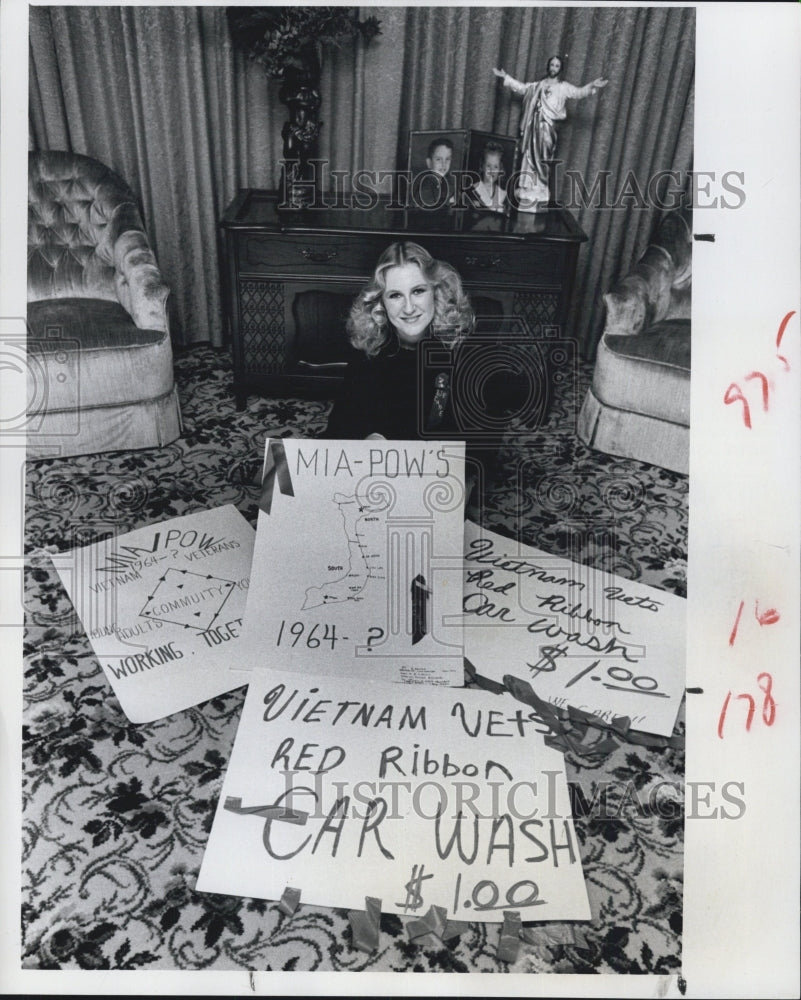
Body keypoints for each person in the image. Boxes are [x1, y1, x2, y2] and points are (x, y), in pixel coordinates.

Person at [323, 241, 473, 441]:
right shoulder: (369, 349)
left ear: (436, 292)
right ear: (381, 301)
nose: (409, 308)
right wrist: (370, 436)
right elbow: (340, 428)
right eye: (395, 295)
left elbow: (477, 449)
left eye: (418, 291)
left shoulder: (463, 353)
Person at [493, 57, 608, 210]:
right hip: (533, 126)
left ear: (560, 69)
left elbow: (579, 92)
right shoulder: (538, 85)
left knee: (543, 158)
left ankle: (540, 187)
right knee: (529, 156)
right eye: (552, 65)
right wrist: (506, 77)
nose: (554, 67)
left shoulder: (563, 87)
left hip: (548, 128)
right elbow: (522, 88)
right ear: (548, 66)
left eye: (557, 65)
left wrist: (592, 85)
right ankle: (527, 186)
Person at [416, 137, 457, 210]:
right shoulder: (425, 186)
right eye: (438, 159)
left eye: (447, 159)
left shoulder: (449, 183)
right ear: (429, 163)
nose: (443, 164)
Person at [467, 140, 507, 212]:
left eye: (495, 167)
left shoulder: (502, 194)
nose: (492, 171)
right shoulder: (474, 190)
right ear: (482, 167)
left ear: (500, 169)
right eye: (488, 166)